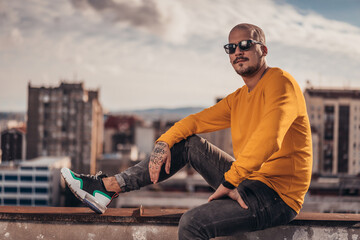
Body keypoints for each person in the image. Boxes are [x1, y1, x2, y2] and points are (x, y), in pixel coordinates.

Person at [61, 23, 312, 239]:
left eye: (245, 44)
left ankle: (106, 187)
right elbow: (193, 122)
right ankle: (108, 187)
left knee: (192, 223)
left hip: (277, 197)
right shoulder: (239, 98)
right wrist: (164, 142)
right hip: (250, 181)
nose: (237, 51)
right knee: (189, 143)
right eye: (231, 47)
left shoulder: (281, 82)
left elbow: (270, 139)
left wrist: (230, 181)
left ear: (263, 49)